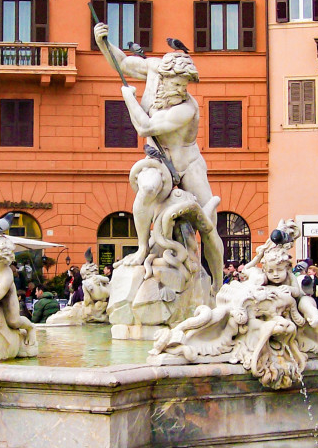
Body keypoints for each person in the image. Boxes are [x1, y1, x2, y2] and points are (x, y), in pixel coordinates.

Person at [93, 20, 224, 283]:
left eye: (186, 85)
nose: (182, 89)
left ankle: (219, 284)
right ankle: (142, 246)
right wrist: (103, 43)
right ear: (165, 76)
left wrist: (128, 97)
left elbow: (145, 126)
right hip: (157, 160)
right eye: (179, 83)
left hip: (188, 164)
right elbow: (123, 63)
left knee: (208, 225)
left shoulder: (187, 108)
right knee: (148, 188)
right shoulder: (154, 69)